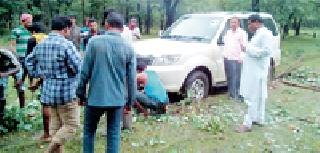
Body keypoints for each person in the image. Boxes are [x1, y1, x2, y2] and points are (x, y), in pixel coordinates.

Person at [76, 12, 136, 153]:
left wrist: (80, 94)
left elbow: (84, 71)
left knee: (89, 132)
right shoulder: (128, 47)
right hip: (117, 99)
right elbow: (132, 79)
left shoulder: (94, 42)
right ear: (122, 29)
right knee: (113, 134)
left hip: (95, 98)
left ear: (107, 25)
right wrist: (130, 102)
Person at [26, 16, 81, 152]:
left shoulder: (42, 43)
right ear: (65, 29)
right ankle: (49, 151)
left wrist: (39, 73)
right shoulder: (66, 44)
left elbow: (28, 61)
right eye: (69, 29)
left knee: (56, 126)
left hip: (49, 91)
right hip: (65, 92)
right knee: (71, 125)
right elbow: (78, 68)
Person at [236, 14, 273, 133]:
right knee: (260, 96)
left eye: (249, 23)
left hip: (257, 71)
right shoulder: (258, 34)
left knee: (253, 97)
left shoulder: (265, 34)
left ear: (256, 22)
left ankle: (247, 124)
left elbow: (266, 51)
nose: (248, 26)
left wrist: (247, 49)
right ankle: (259, 118)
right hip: (255, 70)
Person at [26, 22, 51, 142]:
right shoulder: (49, 38)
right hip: (54, 71)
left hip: (41, 73)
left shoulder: (32, 39)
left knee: (45, 103)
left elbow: (29, 60)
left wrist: (31, 79)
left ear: (34, 32)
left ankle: (47, 133)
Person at [10, 13, 33, 108]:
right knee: (20, 79)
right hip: (20, 58)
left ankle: (32, 100)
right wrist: (15, 58)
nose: (31, 22)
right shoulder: (16, 31)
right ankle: (20, 101)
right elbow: (12, 45)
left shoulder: (32, 31)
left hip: (30, 58)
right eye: (30, 20)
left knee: (31, 78)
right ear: (24, 21)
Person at [223, 17, 247, 101]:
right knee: (229, 77)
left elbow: (244, 46)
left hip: (236, 58)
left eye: (234, 22)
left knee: (236, 78)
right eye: (231, 22)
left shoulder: (242, 33)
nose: (233, 24)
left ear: (238, 23)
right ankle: (231, 94)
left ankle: (236, 95)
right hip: (227, 57)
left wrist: (241, 57)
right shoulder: (228, 32)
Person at [0, 49, 21, 124]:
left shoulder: (8, 54)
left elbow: (18, 69)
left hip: (14, 66)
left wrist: (5, 74)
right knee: (2, 88)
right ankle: (2, 112)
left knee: (20, 84)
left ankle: (22, 109)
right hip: (3, 69)